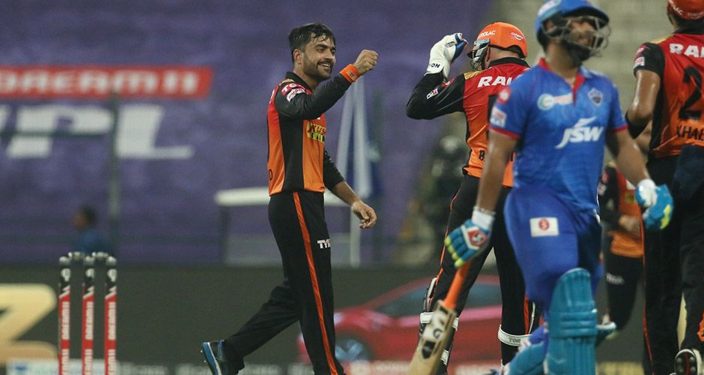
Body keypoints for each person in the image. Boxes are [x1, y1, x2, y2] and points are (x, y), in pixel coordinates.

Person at [444, 0, 674, 373]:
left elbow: (620, 145)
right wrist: (481, 220)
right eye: (579, 22)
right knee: (573, 311)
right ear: (551, 29)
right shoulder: (523, 89)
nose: (588, 30)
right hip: (536, 209)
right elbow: (495, 157)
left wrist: (646, 186)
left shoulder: (600, 88)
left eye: (592, 23)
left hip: (583, 214)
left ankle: (510, 371)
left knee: (570, 324)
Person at [201, 23, 378, 375]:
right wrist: (352, 71)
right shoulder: (287, 91)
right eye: (320, 49)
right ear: (299, 56)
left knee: (298, 294)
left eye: (332, 50)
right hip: (294, 201)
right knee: (316, 294)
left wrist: (353, 200)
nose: (329, 56)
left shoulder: (312, 104)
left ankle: (228, 352)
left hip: (305, 203)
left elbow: (322, 162)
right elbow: (303, 109)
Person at [625, 0, 704, 373]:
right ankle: (692, 346)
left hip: (666, 170)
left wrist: (618, 136)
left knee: (660, 279)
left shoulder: (655, 51)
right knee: (701, 271)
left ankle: (661, 365)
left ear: (670, 12)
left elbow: (642, 111)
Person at [406, 22, 538, 371]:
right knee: (519, 295)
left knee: (450, 287)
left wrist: (437, 64)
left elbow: (417, 106)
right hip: (524, 194)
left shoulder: (472, 81)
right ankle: (516, 367)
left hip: (477, 188)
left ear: (488, 47)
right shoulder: (544, 83)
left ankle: (430, 365)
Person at [598, 126, 651, 335]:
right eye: (646, 133)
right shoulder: (614, 171)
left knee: (658, 319)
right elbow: (595, 203)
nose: (652, 138)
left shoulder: (663, 168)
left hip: (654, 253)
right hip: (622, 250)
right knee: (618, 319)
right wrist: (622, 220)